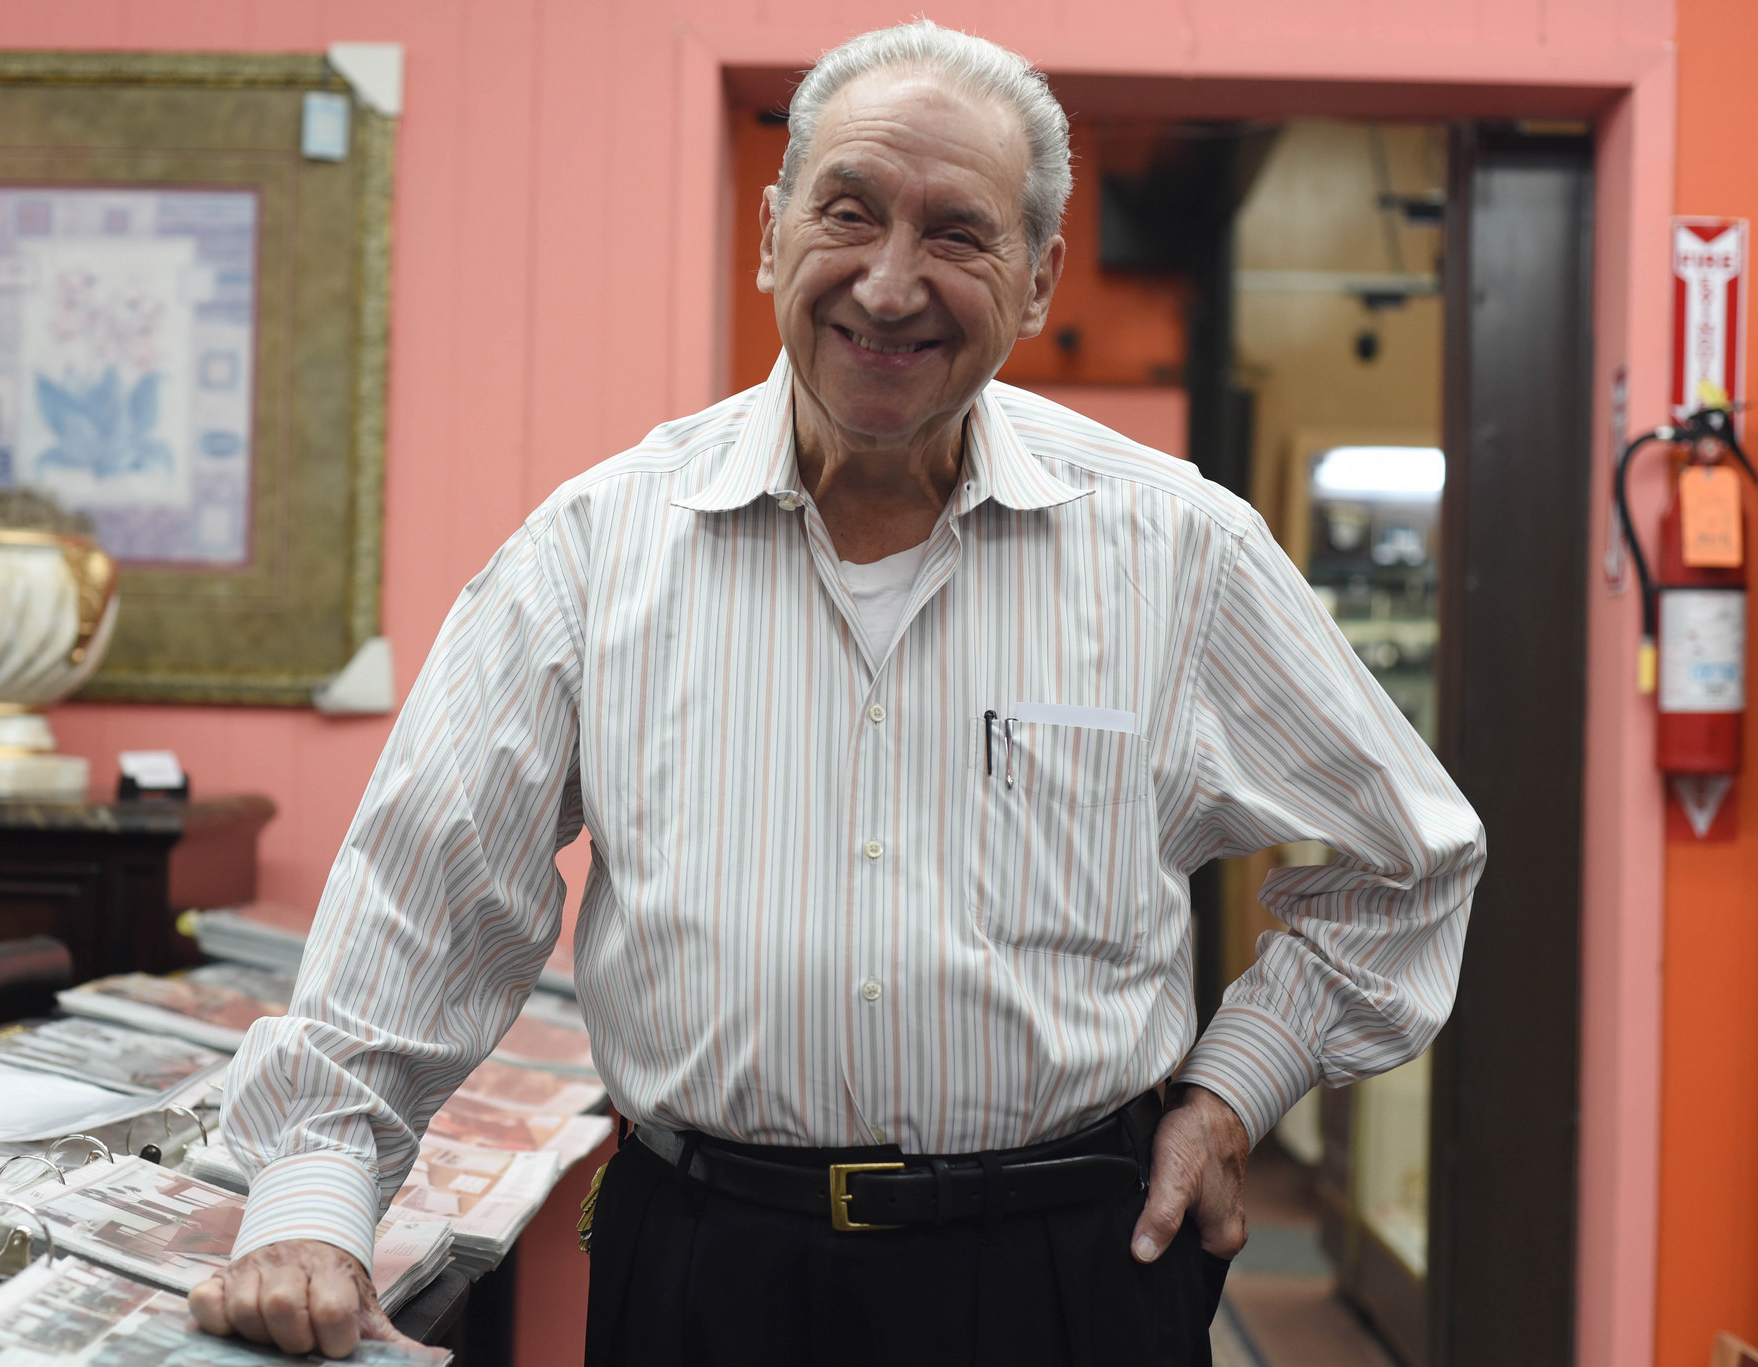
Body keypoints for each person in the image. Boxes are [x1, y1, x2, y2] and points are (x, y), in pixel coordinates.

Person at [190, 21, 1484, 1366]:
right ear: (770, 234)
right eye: (849, 213)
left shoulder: (1178, 551)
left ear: (1039, 278)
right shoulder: (597, 548)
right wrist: (312, 1210)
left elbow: (1413, 859)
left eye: (957, 235)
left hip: (1064, 1278)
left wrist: (1232, 1092)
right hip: (705, 1272)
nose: (887, 282)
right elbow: (427, 895)